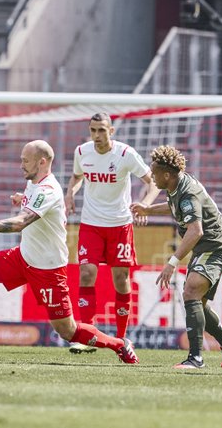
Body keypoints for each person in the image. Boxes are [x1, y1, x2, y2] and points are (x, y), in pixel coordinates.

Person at [0, 140, 139, 364]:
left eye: (25, 161)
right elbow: (36, 204)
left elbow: (20, 223)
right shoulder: (34, 183)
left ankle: (119, 344)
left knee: (68, 331)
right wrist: (24, 198)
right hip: (22, 257)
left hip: (48, 270)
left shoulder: (48, 190)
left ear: (41, 162)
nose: (21, 165)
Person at [130, 145, 222, 369]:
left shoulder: (187, 193)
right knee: (197, 301)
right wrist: (148, 209)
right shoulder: (176, 185)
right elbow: (175, 206)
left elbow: (195, 230)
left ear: (166, 175)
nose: (152, 177)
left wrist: (172, 263)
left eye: (154, 173)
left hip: (215, 246)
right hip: (205, 247)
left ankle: (196, 358)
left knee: (190, 290)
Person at [64, 112, 160, 354]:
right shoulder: (82, 152)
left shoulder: (125, 154)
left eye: (101, 130)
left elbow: (153, 182)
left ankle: (121, 339)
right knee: (86, 274)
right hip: (91, 224)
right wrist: (70, 193)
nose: (96, 136)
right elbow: (77, 176)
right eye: (93, 130)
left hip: (120, 225)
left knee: (120, 279)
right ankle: (87, 335)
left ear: (111, 131)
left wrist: (146, 204)